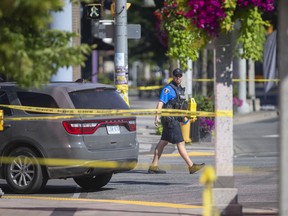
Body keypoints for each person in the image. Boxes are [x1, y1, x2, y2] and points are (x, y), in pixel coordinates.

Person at [148, 68, 205, 174]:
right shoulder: (168, 89)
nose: (178, 78)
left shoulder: (179, 89)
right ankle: (191, 166)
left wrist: (186, 115)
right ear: (173, 76)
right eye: (176, 76)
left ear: (182, 77)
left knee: (163, 142)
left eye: (179, 76)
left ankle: (153, 166)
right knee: (181, 143)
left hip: (173, 119)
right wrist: (157, 116)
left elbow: (180, 105)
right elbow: (160, 103)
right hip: (170, 120)